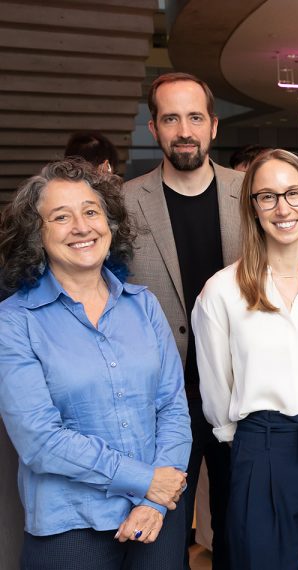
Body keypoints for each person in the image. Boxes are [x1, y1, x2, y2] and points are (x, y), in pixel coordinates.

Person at [0, 159, 192, 569]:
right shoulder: (15, 321)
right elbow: (40, 440)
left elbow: (173, 407)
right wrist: (146, 481)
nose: (81, 227)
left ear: (110, 223)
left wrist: (153, 498)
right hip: (69, 526)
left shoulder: (145, 306)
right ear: (37, 233)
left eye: (91, 211)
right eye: (60, 217)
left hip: (156, 516)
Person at [192, 149, 298, 569]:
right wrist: (258, 448)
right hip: (260, 449)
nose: (282, 207)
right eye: (267, 196)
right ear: (252, 208)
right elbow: (216, 396)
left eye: (293, 193)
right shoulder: (221, 292)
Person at [122, 71, 243, 570]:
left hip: (240, 389)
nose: (184, 129)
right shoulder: (124, 204)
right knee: (164, 534)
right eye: (171, 118)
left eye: (195, 117)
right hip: (161, 400)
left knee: (241, 525)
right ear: (154, 127)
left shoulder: (252, 193)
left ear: (213, 126)